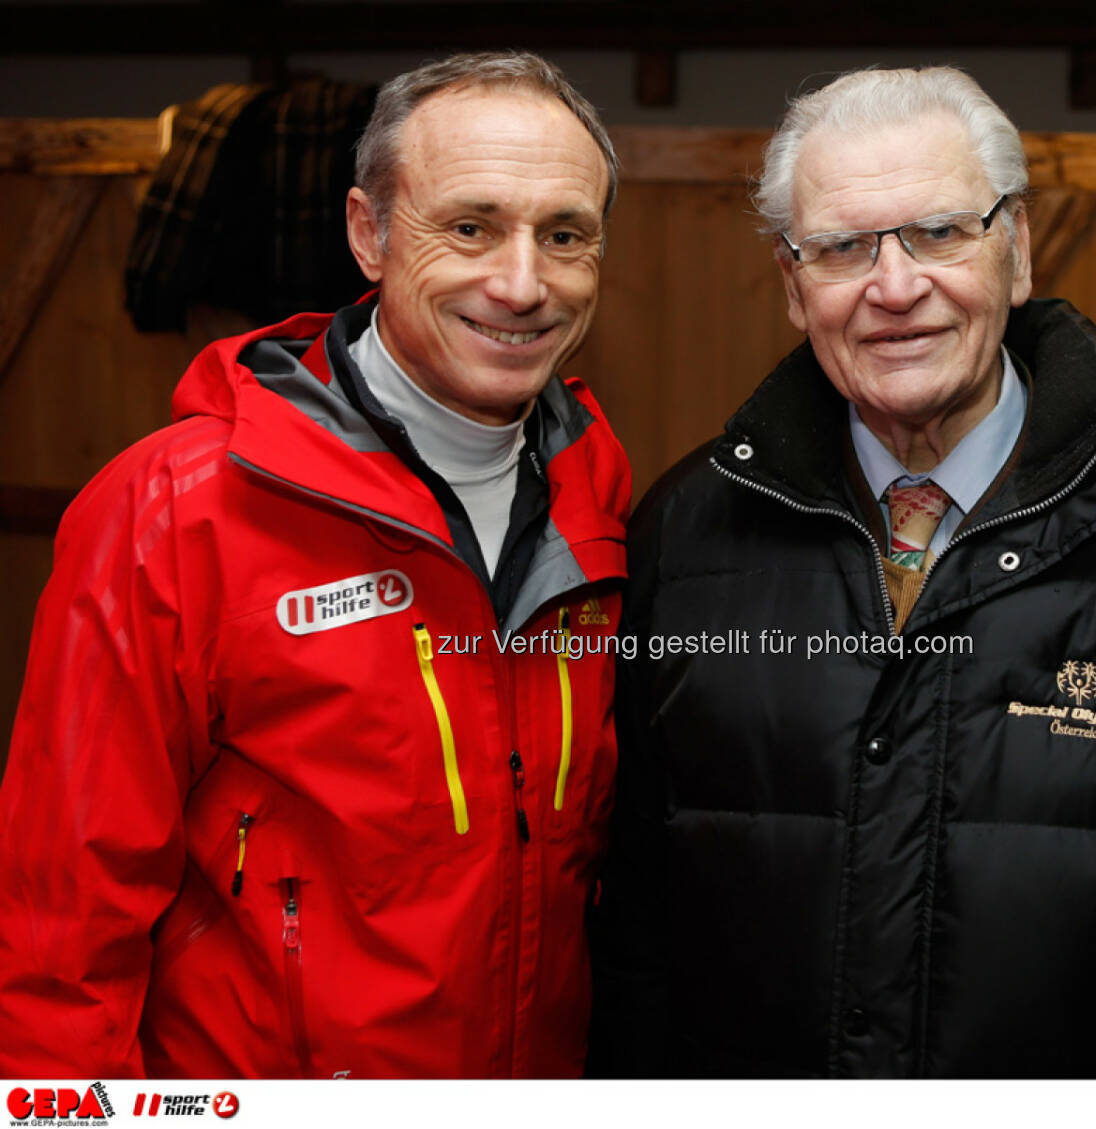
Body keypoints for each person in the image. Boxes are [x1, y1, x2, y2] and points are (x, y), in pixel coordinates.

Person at [588, 66, 1096, 1077]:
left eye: (941, 231)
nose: (895, 288)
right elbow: (632, 941)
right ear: (793, 287)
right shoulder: (688, 537)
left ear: (1016, 250)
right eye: (844, 248)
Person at [0, 51, 630, 1078]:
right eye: (469, 227)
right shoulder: (175, 509)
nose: (523, 283)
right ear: (368, 233)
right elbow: (58, 927)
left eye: (565, 235)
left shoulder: (590, 483)